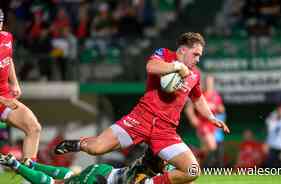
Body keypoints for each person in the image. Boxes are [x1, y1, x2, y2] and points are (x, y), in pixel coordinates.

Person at [55, 32, 230, 184]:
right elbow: (151, 67)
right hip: (140, 119)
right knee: (96, 149)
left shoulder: (195, 75)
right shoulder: (164, 54)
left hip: (165, 132)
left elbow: (198, 99)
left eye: (200, 56)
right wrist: (176, 67)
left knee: (193, 171)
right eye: (196, 54)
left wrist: (211, 118)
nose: (198, 59)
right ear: (183, 50)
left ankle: (148, 182)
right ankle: (77, 143)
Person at [0, 9, 42, 166]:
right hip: (2, 99)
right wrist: (3, 100)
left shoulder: (6, 37)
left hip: (4, 98)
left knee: (34, 128)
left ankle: (27, 175)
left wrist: (14, 83)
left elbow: (8, 59)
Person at [0, 148, 165, 184]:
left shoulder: (143, 168)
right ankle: (15, 164)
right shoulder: (147, 181)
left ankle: (32, 165)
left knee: (68, 178)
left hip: (103, 170)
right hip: (98, 180)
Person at [185, 75, 226, 167]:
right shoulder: (201, 94)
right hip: (203, 124)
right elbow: (189, 107)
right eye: (207, 81)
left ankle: (196, 155)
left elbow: (221, 108)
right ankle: (207, 165)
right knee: (212, 146)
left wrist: (218, 108)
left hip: (212, 125)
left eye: (210, 82)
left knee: (205, 148)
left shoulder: (215, 96)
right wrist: (192, 118)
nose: (209, 84)